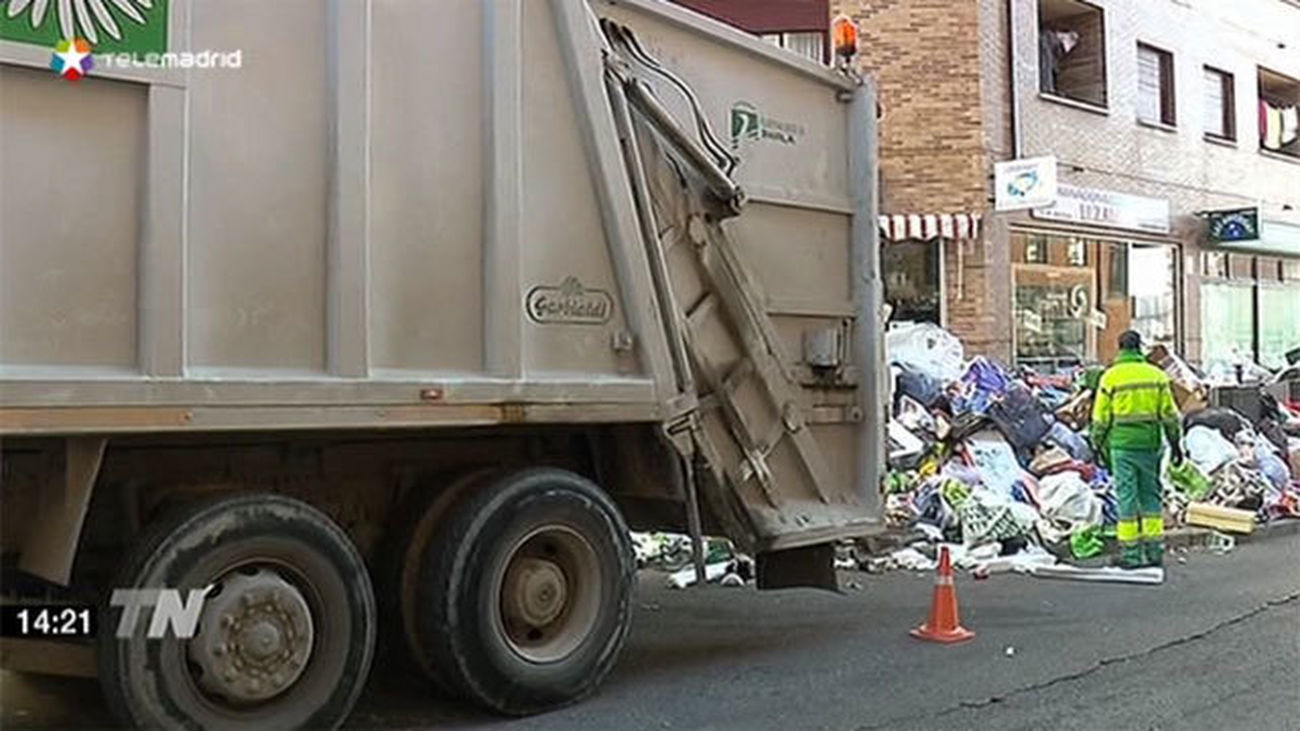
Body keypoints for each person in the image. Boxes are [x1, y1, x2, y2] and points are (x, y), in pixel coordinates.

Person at [1090, 331, 1183, 569]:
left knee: (1127, 497)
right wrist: (1176, 444)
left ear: (1120, 348)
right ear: (1140, 347)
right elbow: (1171, 416)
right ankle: (1154, 550)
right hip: (1151, 444)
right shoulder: (1156, 376)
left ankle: (1131, 553)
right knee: (1151, 495)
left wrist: (1096, 445)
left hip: (1122, 446)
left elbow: (1100, 420)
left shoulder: (1111, 377)